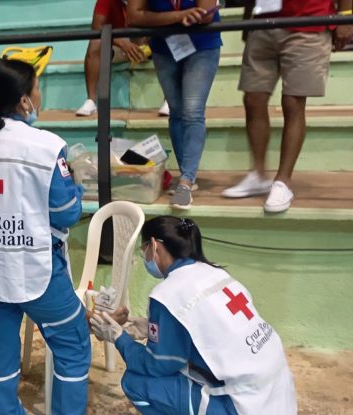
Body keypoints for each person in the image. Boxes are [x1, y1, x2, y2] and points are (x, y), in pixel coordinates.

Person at [0, 59, 90, 415]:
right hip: (38, 270)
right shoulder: (45, 147)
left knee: (1, 348)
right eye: (37, 89)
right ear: (24, 100)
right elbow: (67, 214)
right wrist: (77, 187)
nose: (39, 95)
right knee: (72, 346)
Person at [90, 216, 297, 414]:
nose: (144, 256)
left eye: (143, 249)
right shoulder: (216, 273)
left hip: (240, 405)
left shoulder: (166, 294)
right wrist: (152, 328)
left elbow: (156, 365)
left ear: (154, 245)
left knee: (136, 381)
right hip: (276, 392)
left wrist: (119, 338)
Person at [222, 0, 353, 213]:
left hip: (309, 23)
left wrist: (346, 15)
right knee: (252, 99)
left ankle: (283, 181)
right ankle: (258, 174)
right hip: (263, 22)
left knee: (293, 102)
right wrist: (249, 20)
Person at [127, 0, 222, 209]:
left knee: (193, 111)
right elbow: (133, 16)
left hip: (203, 45)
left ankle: (186, 182)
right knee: (177, 112)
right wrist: (180, 16)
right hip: (164, 46)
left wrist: (156, 19)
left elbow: (204, 14)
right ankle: (186, 177)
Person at [76, 0, 150, 117]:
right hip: (119, 44)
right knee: (95, 43)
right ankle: (90, 101)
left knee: (166, 39)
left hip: (147, 42)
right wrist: (122, 43)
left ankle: (168, 101)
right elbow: (96, 27)